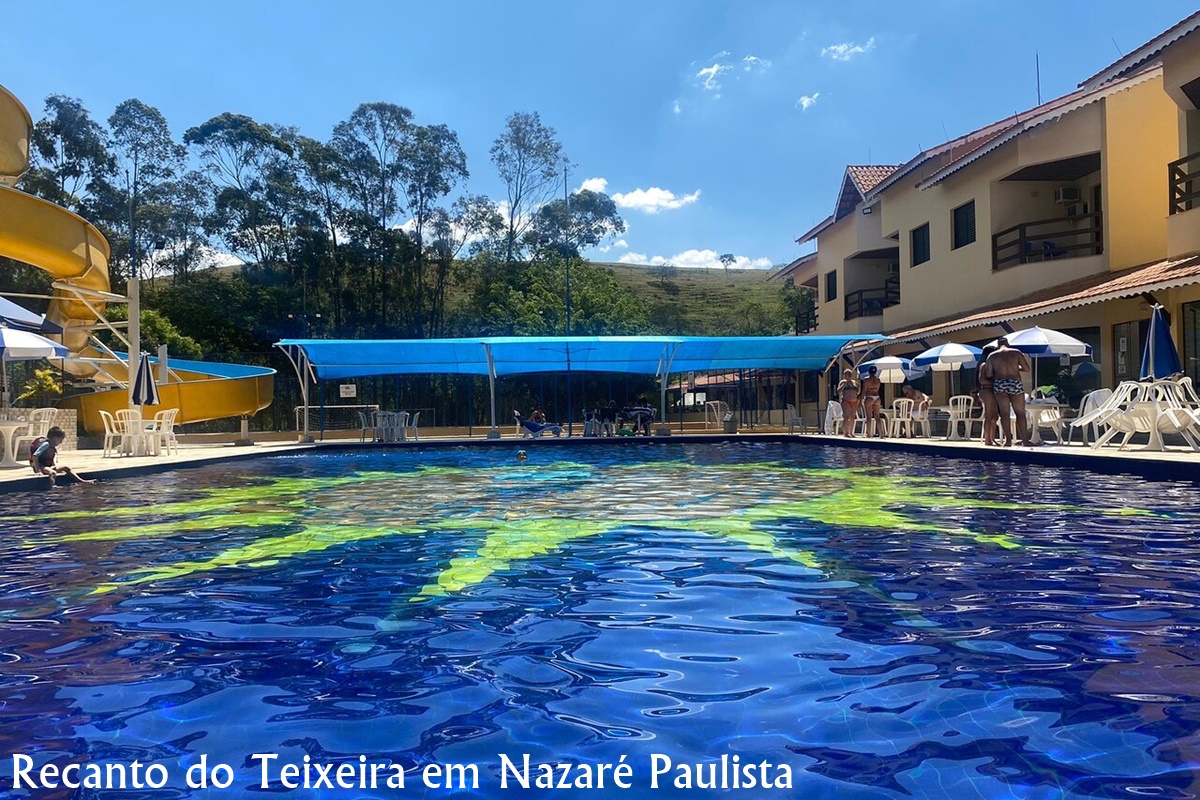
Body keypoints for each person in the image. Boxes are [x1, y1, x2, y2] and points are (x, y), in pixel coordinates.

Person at [986, 337, 1033, 446]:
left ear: (998, 345)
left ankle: (1008, 441)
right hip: (1015, 382)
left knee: (1004, 413)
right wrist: (1016, 368)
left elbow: (989, 374)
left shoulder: (992, 356)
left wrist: (999, 371)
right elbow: (1026, 368)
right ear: (1008, 343)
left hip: (1000, 383)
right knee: (1020, 413)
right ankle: (1025, 441)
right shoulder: (1016, 352)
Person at [976, 344, 999, 446]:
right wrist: (994, 382)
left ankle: (992, 438)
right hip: (987, 391)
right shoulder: (984, 365)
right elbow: (982, 380)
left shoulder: (990, 365)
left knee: (995, 417)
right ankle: (987, 439)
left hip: (991, 391)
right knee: (989, 416)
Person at [860, 364, 886, 438]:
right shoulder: (878, 380)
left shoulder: (866, 380)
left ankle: (868, 434)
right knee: (877, 416)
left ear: (869, 372)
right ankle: (881, 434)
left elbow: (864, 391)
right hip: (877, 397)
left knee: (868, 417)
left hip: (869, 397)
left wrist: (861, 400)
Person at [836, 368, 860, 437]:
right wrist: (844, 385)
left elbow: (858, 391)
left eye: (850, 373)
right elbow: (838, 391)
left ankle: (851, 432)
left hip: (854, 401)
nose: (849, 375)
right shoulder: (842, 382)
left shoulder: (854, 382)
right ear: (845, 375)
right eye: (847, 373)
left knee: (852, 417)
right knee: (846, 417)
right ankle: (846, 433)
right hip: (846, 401)